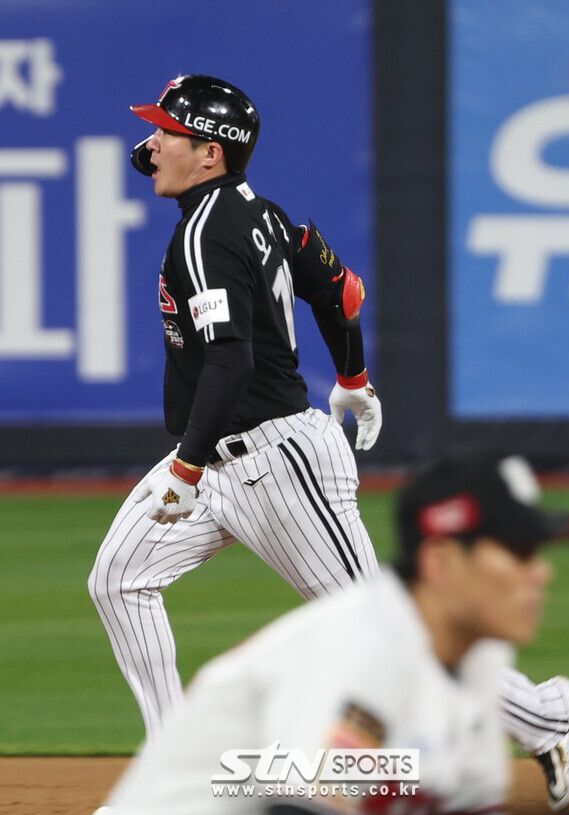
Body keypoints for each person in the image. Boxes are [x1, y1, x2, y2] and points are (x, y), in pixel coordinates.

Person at [88, 74, 382, 738]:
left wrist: (185, 466)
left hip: (275, 459)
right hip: (220, 456)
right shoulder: (262, 212)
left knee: (377, 628)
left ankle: (541, 716)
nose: (151, 143)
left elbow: (230, 359)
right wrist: (353, 375)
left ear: (210, 153)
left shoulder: (204, 235)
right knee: (119, 579)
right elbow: (342, 289)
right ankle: (175, 760)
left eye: (167, 131)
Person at [93, 453, 569, 815]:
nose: (541, 572)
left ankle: (544, 719)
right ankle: (545, 718)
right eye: (519, 553)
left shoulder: (476, 658)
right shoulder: (355, 660)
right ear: (442, 562)